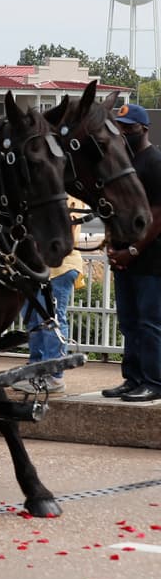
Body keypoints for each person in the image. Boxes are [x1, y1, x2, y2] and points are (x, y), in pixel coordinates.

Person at [105, 103, 161, 402]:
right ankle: (133, 378)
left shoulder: (155, 162)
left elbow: (158, 214)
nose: (124, 133)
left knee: (149, 323)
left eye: (129, 128)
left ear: (144, 129)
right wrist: (112, 245)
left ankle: (154, 381)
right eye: (120, 128)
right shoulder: (122, 162)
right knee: (128, 322)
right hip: (124, 257)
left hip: (150, 259)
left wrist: (134, 250)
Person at [12, 197, 86, 394]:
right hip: (36, 267)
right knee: (34, 321)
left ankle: (53, 376)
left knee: (51, 320)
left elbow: (65, 235)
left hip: (59, 267)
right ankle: (35, 370)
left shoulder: (67, 197)